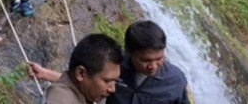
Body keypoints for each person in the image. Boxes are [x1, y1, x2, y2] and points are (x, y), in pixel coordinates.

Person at [29, 21, 190, 104]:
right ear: (130, 53)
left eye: (159, 59)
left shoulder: (175, 80)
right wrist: (46, 74)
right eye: (146, 60)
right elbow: (87, 80)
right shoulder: (115, 68)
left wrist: (45, 73)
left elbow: (88, 80)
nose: (153, 66)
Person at [42, 33, 123, 104]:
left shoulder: (79, 95)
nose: (112, 89)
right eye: (107, 81)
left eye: (115, 81)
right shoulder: (60, 100)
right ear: (81, 73)